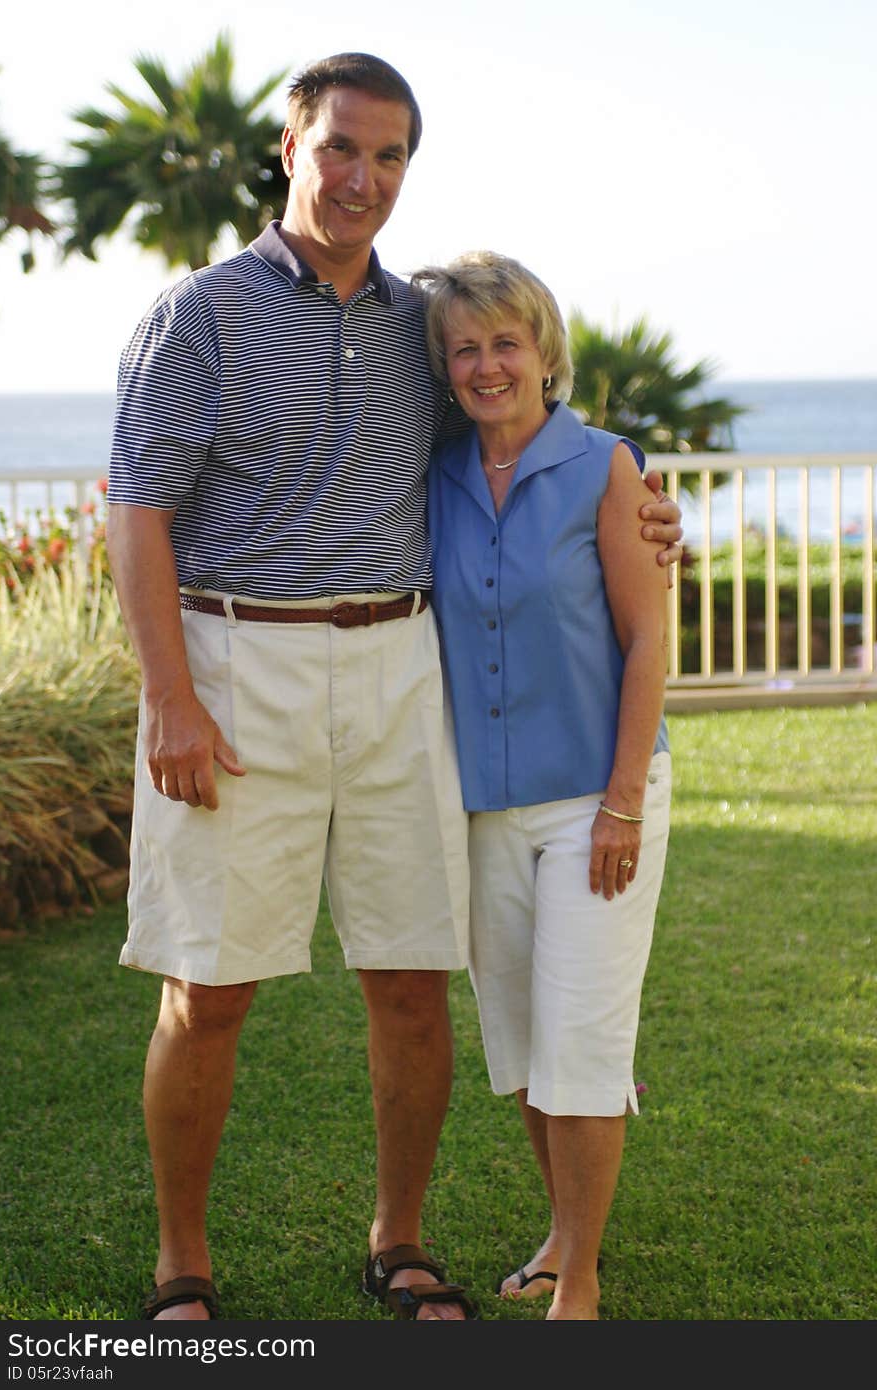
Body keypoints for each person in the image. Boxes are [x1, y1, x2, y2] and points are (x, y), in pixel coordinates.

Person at [106, 53, 683, 1322]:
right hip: (234, 661)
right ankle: (180, 1264)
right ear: (290, 147)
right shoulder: (196, 313)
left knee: (411, 976)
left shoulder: (418, 328)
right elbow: (137, 507)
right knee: (209, 988)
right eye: (339, 149)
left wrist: (643, 511)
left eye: (388, 156)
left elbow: (511, 426)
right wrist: (169, 696)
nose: (362, 178)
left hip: (392, 665)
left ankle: (399, 1240)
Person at [414, 250, 672, 1320]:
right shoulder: (430, 473)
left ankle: (583, 1283)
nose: (485, 365)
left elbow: (649, 636)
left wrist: (620, 801)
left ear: (542, 350)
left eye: (504, 342)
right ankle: (562, 1237)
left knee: (583, 1039)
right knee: (524, 1047)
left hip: (594, 802)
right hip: (480, 806)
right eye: (463, 347)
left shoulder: (608, 466)